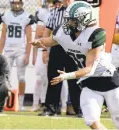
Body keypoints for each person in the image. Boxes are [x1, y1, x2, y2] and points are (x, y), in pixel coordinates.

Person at [31, 1, 119, 129]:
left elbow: (89, 68)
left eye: (73, 20)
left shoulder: (95, 34)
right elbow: (52, 40)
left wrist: (67, 76)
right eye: (68, 20)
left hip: (109, 82)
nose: (68, 23)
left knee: (117, 120)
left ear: (85, 20)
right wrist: (40, 42)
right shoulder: (63, 32)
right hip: (90, 84)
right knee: (91, 120)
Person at [41, 0, 82, 117]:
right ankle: (51, 108)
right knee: (54, 77)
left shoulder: (80, 11)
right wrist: (44, 50)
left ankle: (79, 109)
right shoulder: (55, 12)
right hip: (57, 46)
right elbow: (47, 31)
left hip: (73, 47)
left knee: (75, 78)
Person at [0, 0, 35, 111]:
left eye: (19, 3)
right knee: (6, 77)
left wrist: (28, 55)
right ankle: (5, 100)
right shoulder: (6, 15)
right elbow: (3, 36)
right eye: (15, 3)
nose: (17, 5)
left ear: (22, 4)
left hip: (21, 50)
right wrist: (0, 51)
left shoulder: (27, 16)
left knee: (21, 77)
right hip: (8, 49)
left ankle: (20, 102)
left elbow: (29, 38)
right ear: (11, 3)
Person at [31, 0, 50, 112]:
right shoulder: (42, 12)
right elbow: (38, 33)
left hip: (56, 48)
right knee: (39, 78)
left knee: (53, 79)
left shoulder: (62, 11)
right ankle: (35, 103)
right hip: (43, 46)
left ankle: (48, 103)